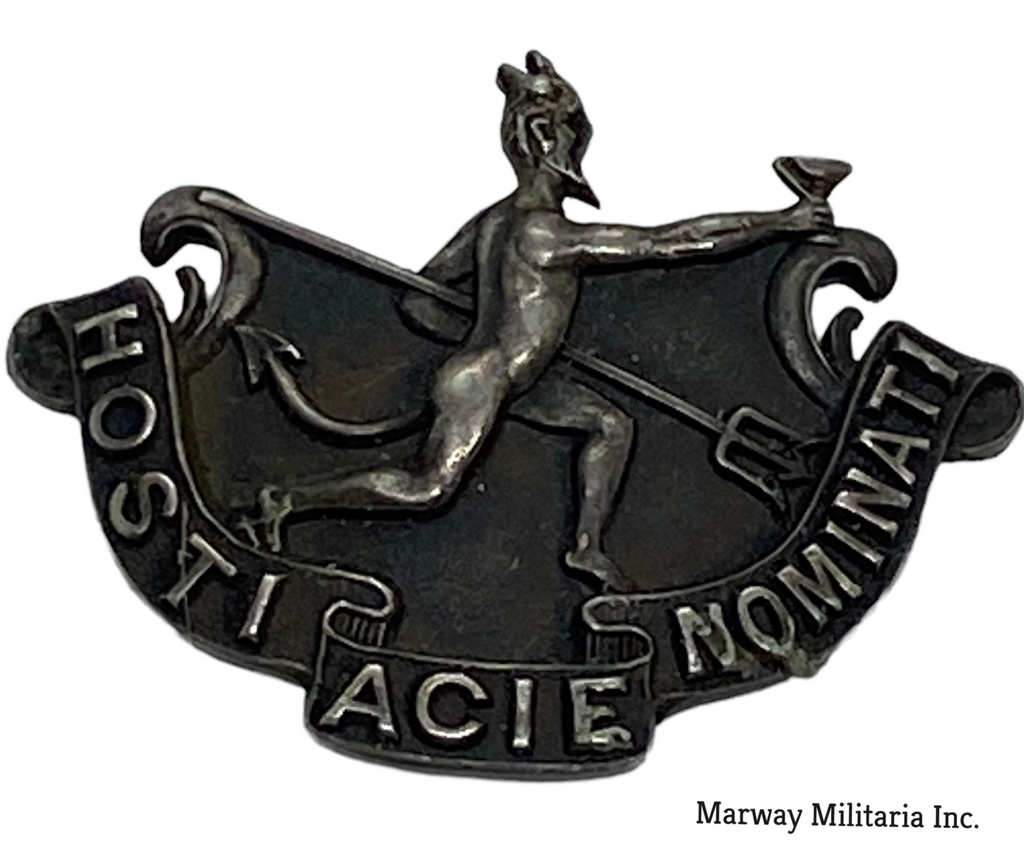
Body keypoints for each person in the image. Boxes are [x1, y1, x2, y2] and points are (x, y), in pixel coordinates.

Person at [248, 51, 832, 591]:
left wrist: (496, 338)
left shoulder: (492, 221)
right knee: (428, 488)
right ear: (551, 143)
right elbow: (670, 242)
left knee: (609, 424)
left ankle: (586, 549)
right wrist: (782, 222)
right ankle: (287, 501)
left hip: (511, 379)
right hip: (487, 380)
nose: (581, 148)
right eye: (576, 136)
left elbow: (419, 301)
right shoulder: (543, 232)